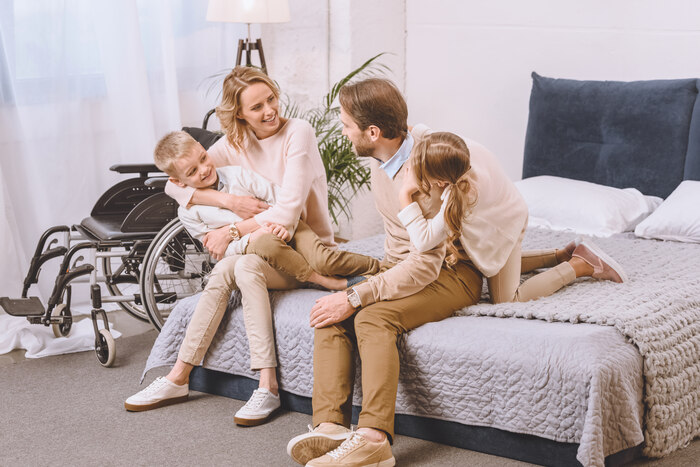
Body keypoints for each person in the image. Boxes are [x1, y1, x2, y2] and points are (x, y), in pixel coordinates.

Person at [124, 67, 378, 427]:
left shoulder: (297, 133)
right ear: (239, 113)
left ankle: (188, 377)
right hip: (259, 247)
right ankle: (244, 383)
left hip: (303, 245)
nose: (270, 111)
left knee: (237, 266)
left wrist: (231, 229)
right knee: (239, 266)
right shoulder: (231, 145)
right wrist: (230, 203)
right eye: (257, 107)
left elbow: (289, 211)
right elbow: (174, 186)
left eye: (271, 99)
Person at [286, 78, 483, 467]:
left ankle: (374, 440)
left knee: (373, 317)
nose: (342, 132)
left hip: (452, 272)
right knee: (330, 313)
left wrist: (361, 294)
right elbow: (398, 246)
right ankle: (330, 428)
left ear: (372, 132)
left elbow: (426, 263)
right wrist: (366, 284)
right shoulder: (383, 161)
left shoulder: (425, 176)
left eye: (346, 125)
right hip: (408, 266)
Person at [397, 130, 627, 305]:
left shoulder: (457, 198)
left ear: (440, 182)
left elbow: (424, 240)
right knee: (493, 258)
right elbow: (423, 134)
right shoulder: (457, 157)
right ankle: (560, 255)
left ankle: (581, 265)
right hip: (505, 210)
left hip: (506, 223)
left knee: (508, 298)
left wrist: (405, 195)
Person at [152, 130, 376, 292]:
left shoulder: (236, 175)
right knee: (265, 244)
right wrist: (253, 235)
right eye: (192, 171)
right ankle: (322, 281)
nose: (204, 169)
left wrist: (278, 225)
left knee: (325, 260)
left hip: (288, 225)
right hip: (262, 245)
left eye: (204, 158)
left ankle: (382, 268)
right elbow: (220, 250)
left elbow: (282, 199)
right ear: (178, 181)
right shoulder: (190, 211)